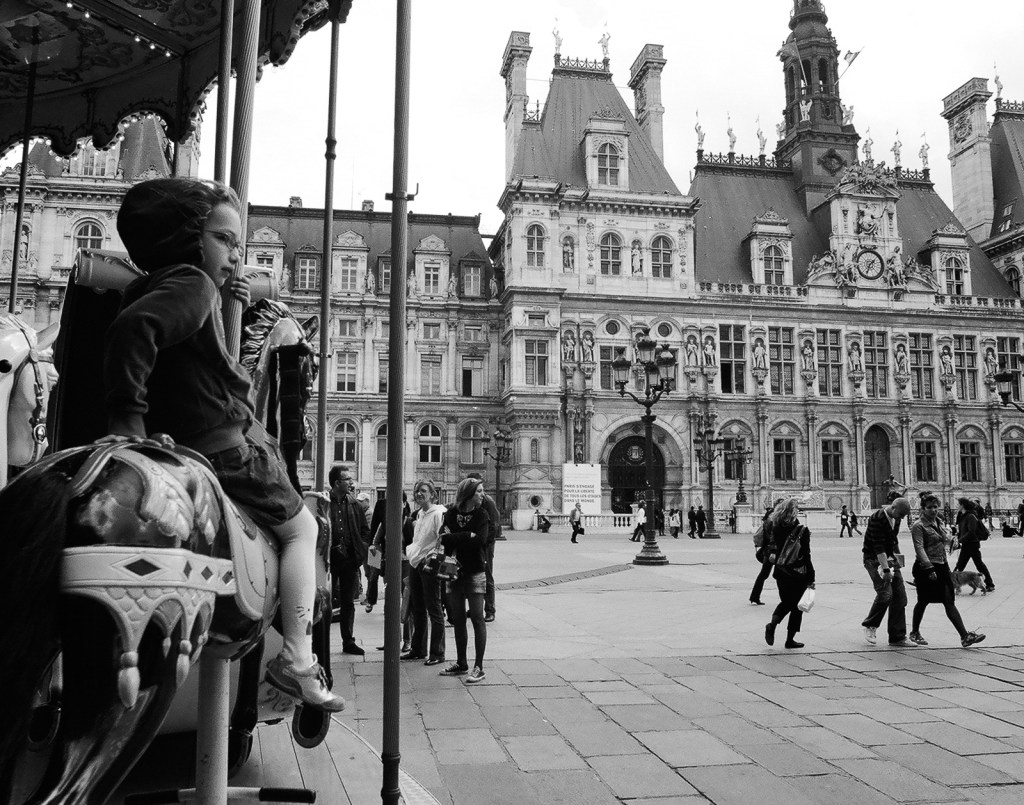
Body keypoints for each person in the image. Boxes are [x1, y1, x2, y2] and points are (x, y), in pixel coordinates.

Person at [103, 177, 343, 710]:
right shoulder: (193, 285)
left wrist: (224, 305)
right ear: (188, 238)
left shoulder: (160, 285)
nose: (235, 254)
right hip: (225, 448)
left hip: (198, 440)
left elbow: (202, 364)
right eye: (224, 240)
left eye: (238, 245)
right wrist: (128, 421)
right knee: (304, 527)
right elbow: (135, 331)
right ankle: (298, 657)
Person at [910, 493, 986, 648]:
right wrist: (929, 567)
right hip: (926, 567)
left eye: (935, 507)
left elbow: (945, 541)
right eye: (929, 507)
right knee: (923, 600)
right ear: (923, 509)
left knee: (949, 600)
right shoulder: (918, 526)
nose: (933, 510)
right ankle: (914, 632)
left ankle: (965, 636)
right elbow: (919, 548)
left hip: (942, 566)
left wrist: (953, 542)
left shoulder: (939, 522)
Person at [440, 477, 492, 683]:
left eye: (482, 490)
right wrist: (467, 535)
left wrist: (457, 536)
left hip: (475, 570)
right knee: (458, 619)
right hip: (452, 570)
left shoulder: (482, 514)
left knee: (478, 617)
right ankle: (462, 662)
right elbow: (443, 538)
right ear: (468, 493)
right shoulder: (450, 513)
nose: (482, 494)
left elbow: (481, 540)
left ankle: (479, 666)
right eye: (479, 491)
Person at [860, 496, 915, 647]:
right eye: (901, 515)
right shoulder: (877, 518)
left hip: (889, 559)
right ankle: (870, 624)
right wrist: (885, 570)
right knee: (885, 594)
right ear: (894, 508)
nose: (902, 518)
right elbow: (878, 548)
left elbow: (893, 540)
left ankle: (897, 637)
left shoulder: (896, 518)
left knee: (900, 597)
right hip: (873, 559)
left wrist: (897, 557)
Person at [404, 479, 447, 665]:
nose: (419, 494)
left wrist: (430, 557)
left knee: (434, 608)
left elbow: (442, 539)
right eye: (416, 491)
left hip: (428, 565)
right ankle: (418, 648)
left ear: (432, 494)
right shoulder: (420, 514)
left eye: (423, 491)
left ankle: (437, 653)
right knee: (417, 607)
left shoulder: (438, 513)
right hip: (415, 562)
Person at [762, 497, 815, 649]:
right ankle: (789, 639)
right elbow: (806, 555)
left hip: (781, 571)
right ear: (793, 512)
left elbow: (770, 546)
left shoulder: (776, 528)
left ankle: (772, 624)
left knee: (786, 602)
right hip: (798, 573)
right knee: (798, 606)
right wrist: (811, 576)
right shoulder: (801, 531)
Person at [328, 466, 370, 657]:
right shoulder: (324, 503)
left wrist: (360, 552)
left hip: (349, 559)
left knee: (348, 602)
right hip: (327, 560)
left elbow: (364, 530)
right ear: (337, 483)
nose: (351, 482)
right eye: (347, 479)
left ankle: (348, 641)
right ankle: (320, 642)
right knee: (324, 601)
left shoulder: (354, 504)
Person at [466, 471, 499, 623]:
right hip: (472, 544)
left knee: (486, 576)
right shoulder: (468, 501)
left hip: (486, 545)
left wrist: (483, 544)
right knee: (471, 575)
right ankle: (474, 607)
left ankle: (490, 609)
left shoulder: (488, 502)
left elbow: (494, 527)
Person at [954, 498, 996, 592]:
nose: (957, 506)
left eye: (958, 504)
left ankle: (990, 584)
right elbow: (962, 530)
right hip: (966, 544)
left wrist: (960, 539)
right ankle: (952, 583)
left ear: (962, 505)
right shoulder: (962, 515)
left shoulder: (971, 516)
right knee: (960, 565)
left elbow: (971, 531)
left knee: (979, 565)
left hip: (972, 544)